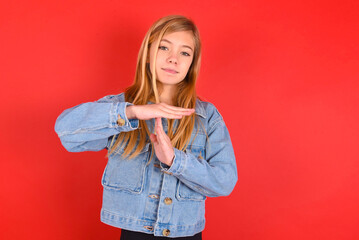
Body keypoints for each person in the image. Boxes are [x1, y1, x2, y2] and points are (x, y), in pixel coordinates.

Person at [55, 15, 238, 239]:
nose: (173, 59)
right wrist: (131, 112)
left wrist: (175, 161)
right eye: (164, 47)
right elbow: (66, 132)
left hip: (187, 234)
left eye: (185, 52)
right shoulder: (120, 106)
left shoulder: (206, 116)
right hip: (134, 233)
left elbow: (225, 181)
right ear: (148, 54)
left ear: (192, 63)